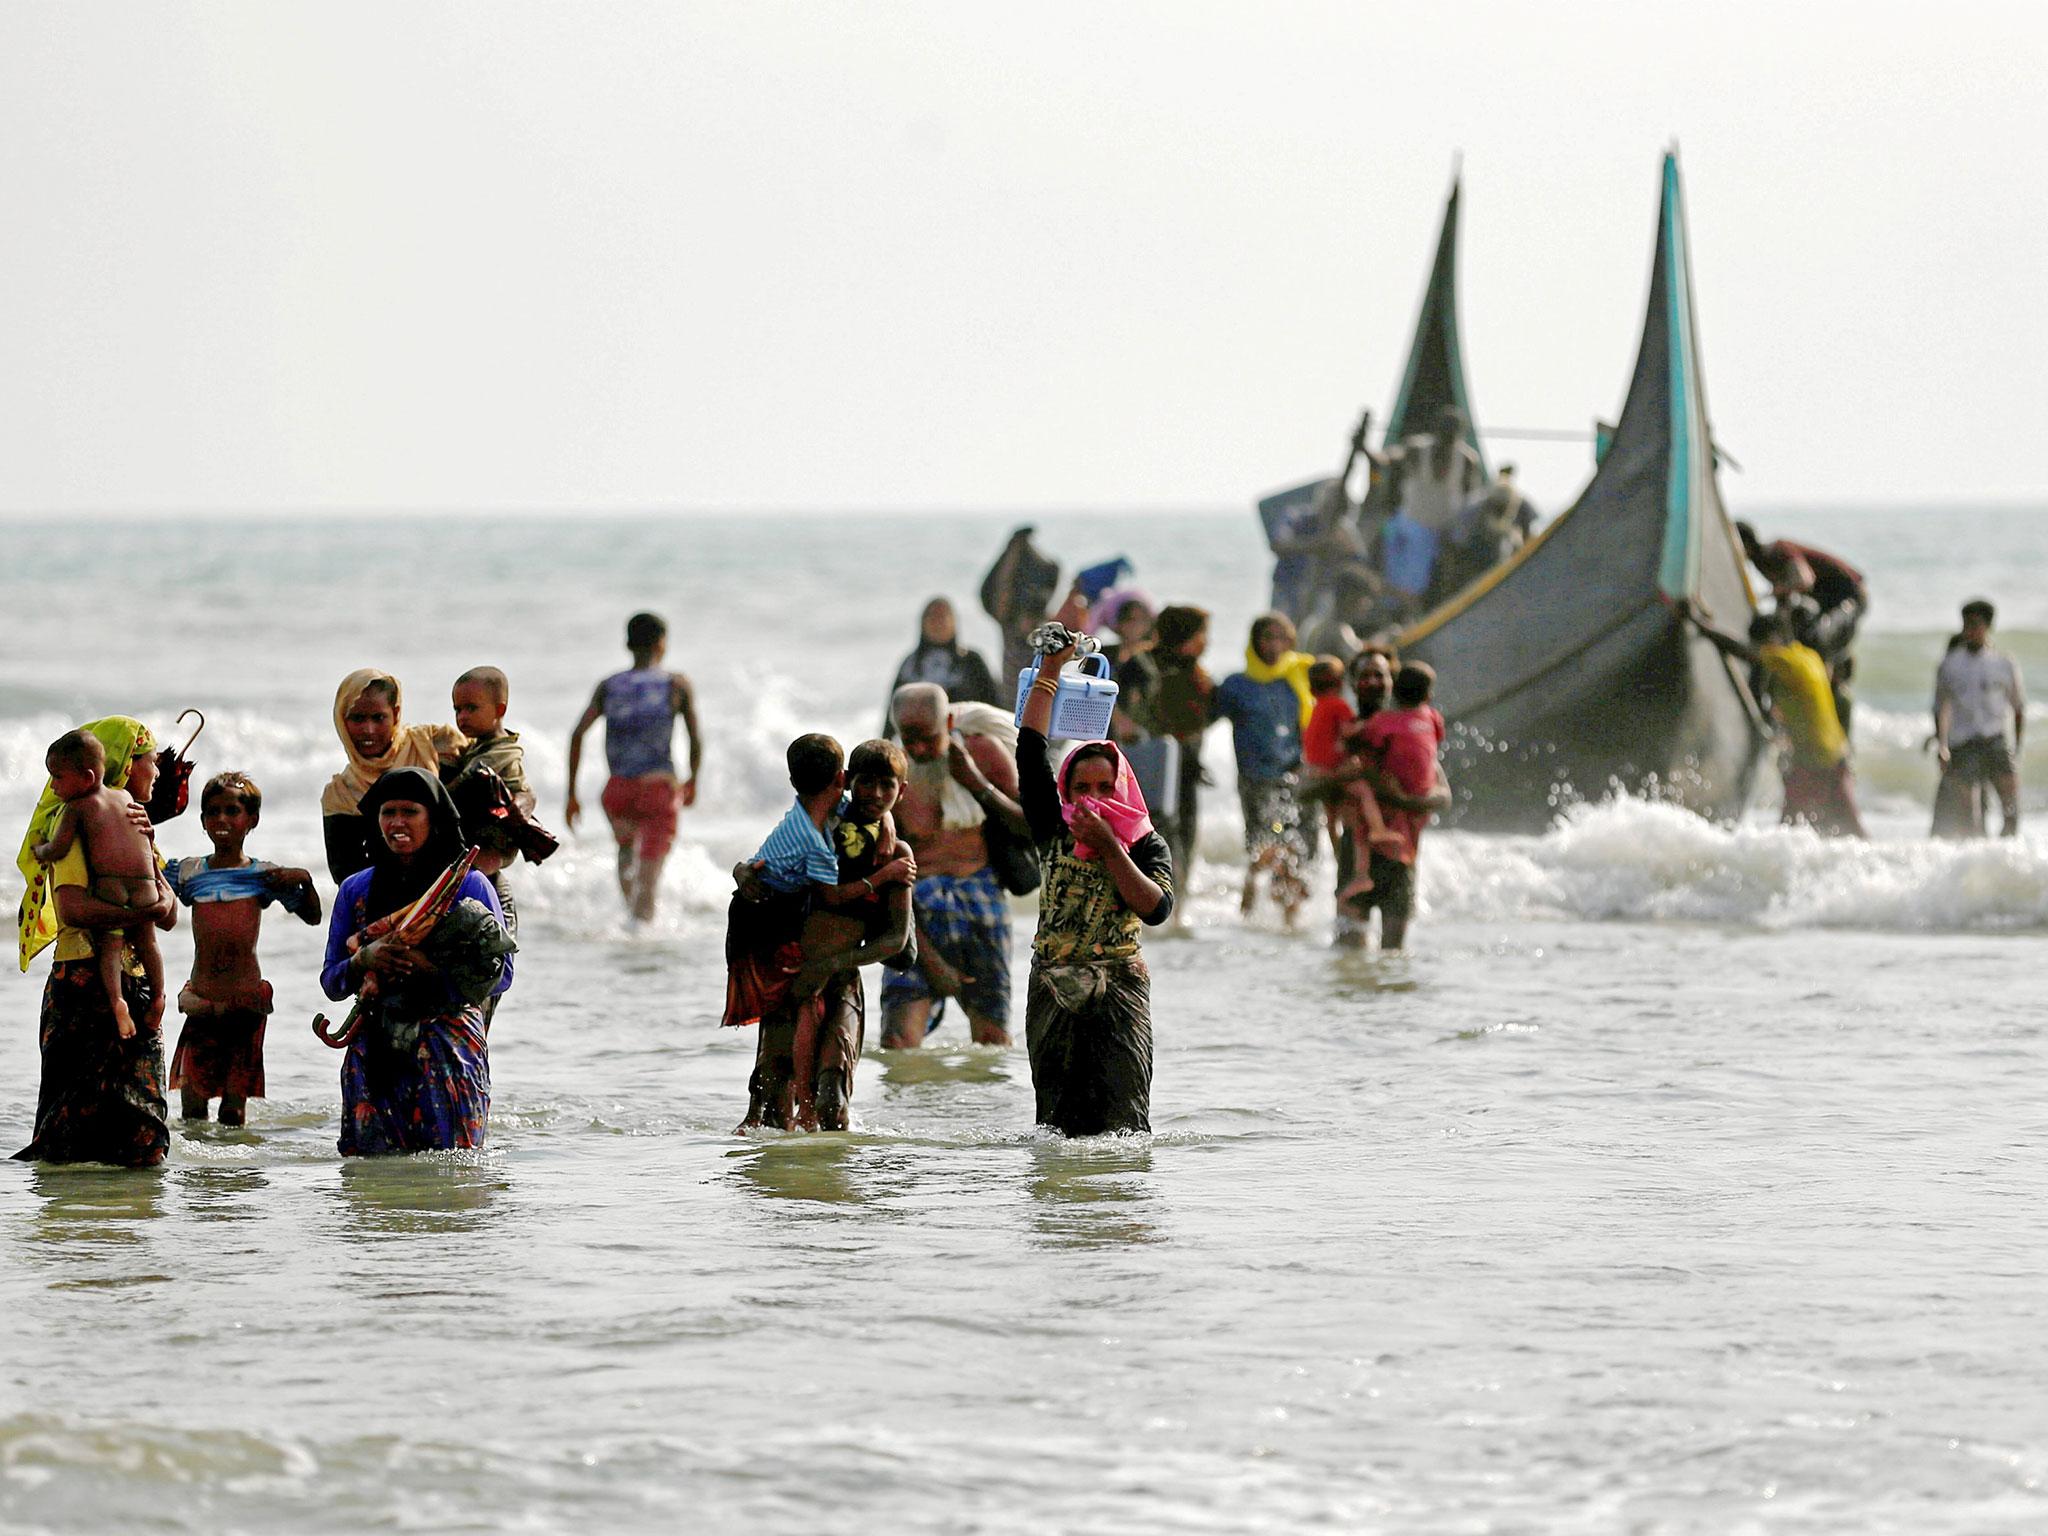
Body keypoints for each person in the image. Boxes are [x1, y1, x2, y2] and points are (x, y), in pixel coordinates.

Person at [1017, 629, 1176, 1135]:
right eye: (1080, 788)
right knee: (1055, 1128)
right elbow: (1029, 749)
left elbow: (1156, 908)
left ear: (1122, 787)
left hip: (1120, 988)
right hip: (1053, 983)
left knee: (1124, 1127)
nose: (1092, 797)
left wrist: (1109, 846)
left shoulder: (1144, 842)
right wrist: (1049, 672)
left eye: (1105, 788)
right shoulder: (1053, 826)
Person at [727, 737, 917, 1130]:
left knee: (832, 1100)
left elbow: (896, 940)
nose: (876, 794)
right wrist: (741, 872)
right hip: (792, 974)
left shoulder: (896, 856)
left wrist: (832, 964)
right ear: (846, 781)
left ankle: (829, 1187)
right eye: (866, 782)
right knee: (772, 1106)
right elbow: (769, 860)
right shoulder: (824, 827)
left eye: (887, 786)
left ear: (902, 792)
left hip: (841, 979)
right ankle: (779, 1187)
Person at [319, 768, 512, 1156]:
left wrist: (428, 967)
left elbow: (502, 975)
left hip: (449, 1051)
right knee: (371, 1186)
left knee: (451, 1178)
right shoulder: (355, 890)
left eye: (410, 812)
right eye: (388, 812)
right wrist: (365, 959)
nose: (397, 823)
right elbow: (332, 982)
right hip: (374, 1054)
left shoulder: (468, 886)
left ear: (434, 818)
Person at [13, 719, 178, 1166]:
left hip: (137, 987)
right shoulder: (75, 824)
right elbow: (72, 910)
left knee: (144, 1139)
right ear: (125, 765)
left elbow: (169, 913)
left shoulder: (137, 826)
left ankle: (127, 1227)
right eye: (150, 762)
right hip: (83, 987)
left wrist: (153, 904)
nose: (157, 772)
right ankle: (80, 1228)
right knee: (71, 1139)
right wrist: (140, 913)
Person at [163, 772, 322, 1125]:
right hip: (202, 1002)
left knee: (234, 1110)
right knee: (192, 1107)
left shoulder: (263, 876)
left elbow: (312, 917)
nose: (222, 819)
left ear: (252, 820)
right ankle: (198, 1174)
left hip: (244, 1004)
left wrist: (305, 881)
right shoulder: (189, 873)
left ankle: (235, 1176)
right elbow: (150, 890)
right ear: (202, 820)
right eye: (213, 812)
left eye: (232, 811)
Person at [883, 681, 1030, 1048]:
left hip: (980, 899)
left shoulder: (982, 752)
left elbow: (1029, 825)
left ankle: (982, 1108)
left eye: (927, 739)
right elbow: (886, 871)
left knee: (992, 1037)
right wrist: (930, 959)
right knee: (898, 1040)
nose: (917, 749)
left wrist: (976, 783)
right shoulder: (892, 775)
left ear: (948, 723)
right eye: (909, 739)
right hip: (917, 909)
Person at [30, 729, 166, 1042]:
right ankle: (160, 996)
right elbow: (165, 913)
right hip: (145, 892)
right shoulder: (129, 803)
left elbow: (59, 850)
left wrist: (41, 851)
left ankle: (117, 1002)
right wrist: (149, 908)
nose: (52, 786)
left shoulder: (77, 809)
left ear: (88, 777)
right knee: (150, 944)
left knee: (110, 947)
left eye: (57, 778)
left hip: (112, 894)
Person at [565, 612, 703, 922]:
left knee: (626, 853)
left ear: (627, 643)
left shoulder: (609, 686)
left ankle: (629, 924)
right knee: (649, 879)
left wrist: (571, 794)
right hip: (658, 789)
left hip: (617, 791)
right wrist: (693, 778)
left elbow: (577, 735)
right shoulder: (676, 685)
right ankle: (640, 945)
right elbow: (695, 737)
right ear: (661, 643)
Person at [1693, 606, 1865, 838]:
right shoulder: (1809, 657)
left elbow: (1744, 652)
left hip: (1814, 760)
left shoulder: (1785, 660)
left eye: (1763, 642)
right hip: (1837, 758)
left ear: (1773, 639)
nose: (1763, 648)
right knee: (1847, 828)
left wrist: (1703, 628)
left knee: (1790, 828)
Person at [1329, 649, 1453, 951]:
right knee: (1349, 954)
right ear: (1352, 683)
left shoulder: (1410, 731)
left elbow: (1444, 796)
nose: (1372, 681)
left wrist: (1403, 799)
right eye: (1364, 675)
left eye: (1379, 674)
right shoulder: (1343, 732)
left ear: (1392, 682)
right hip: (1358, 853)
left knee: (1393, 958)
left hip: (1402, 854)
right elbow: (1308, 788)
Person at [1214, 613, 1315, 925]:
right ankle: (1250, 905)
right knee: (1266, 846)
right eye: (1267, 637)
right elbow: (1201, 718)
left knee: (1300, 852)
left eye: (1280, 638)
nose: (1273, 645)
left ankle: (1288, 921)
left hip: (1298, 779)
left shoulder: (1298, 678)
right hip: (1257, 780)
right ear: (1254, 642)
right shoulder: (1237, 686)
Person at [443, 665, 554, 944]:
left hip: (493, 843)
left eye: (471, 708)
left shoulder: (503, 751)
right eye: (457, 709)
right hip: (475, 841)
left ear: (499, 709)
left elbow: (520, 792)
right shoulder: (475, 748)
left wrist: (521, 805)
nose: (462, 717)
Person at [322, 670, 466, 884]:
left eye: (378, 718)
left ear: (396, 714)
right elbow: (346, 874)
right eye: (357, 718)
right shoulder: (340, 794)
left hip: (461, 887)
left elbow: (500, 764)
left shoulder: (433, 746)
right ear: (342, 720)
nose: (368, 730)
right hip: (388, 905)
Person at [1737, 522, 1868, 734]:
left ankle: (1828, 713)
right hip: (1827, 601)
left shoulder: (1776, 550)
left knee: (1819, 644)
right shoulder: (1762, 564)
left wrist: (1774, 592)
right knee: (1799, 643)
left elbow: (1805, 580)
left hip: (1850, 596)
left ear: (1745, 544)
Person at [1143, 604, 1214, 915]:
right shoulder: (1155, 669)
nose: (1206, 641)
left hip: (1183, 770)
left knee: (1179, 840)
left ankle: (1173, 912)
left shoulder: (1192, 671)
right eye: (1202, 634)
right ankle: (1166, 911)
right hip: (1159, 770)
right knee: (1168, 839)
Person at [1934, 598, 2024, 838]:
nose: (1968, 631)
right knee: (1970, 817)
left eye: (1974, 624)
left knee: (2011, 809)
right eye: (1965, 624)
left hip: (1995, 741)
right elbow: (1941, 707)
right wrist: (1942, 745)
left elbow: (2018, 708)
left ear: (1986, 626)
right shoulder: (1951, 664)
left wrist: (2017, 745)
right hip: (1964, 745)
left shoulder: (2004, 663)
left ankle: (2005, 857)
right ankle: (1976, 862)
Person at [883, 598, 1003, 733]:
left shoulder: (972, 661)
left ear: (954, 622)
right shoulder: (910, 665)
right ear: (922, 623)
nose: (937, 622)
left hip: (969, 740)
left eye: (943, 616)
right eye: (932, 616)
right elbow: (892, 713)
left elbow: (994, 706)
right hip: (917, 743)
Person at [980, 526, 1062, 685]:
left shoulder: (1049, 639)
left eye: (1033, 618)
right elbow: (1003, 587)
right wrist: (1015, 546)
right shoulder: (1011, 630)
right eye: (1026, 617)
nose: (1028, 624)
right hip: (1011, 706)